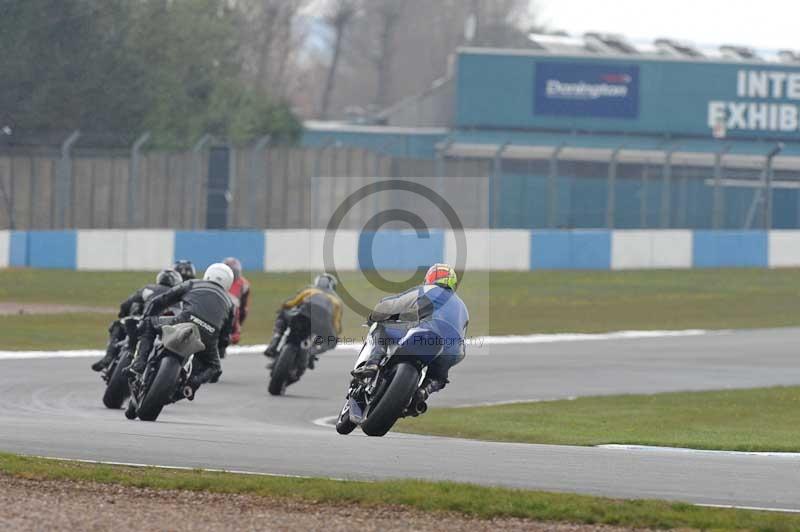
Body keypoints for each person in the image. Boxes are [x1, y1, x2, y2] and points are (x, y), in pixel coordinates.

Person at [352, 263, 469, 404]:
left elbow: (392, 305)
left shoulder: (428, 289)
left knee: (380, 328)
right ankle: (424, 391)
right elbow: (462, 342)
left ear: (430, 278)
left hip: (428, 334)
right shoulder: (463, 307)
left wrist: (374, 316)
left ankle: (373, 363)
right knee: (438, 376)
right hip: (453, 350)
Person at [128, 263, 235, 397]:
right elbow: (225, 335)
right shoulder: (230, 303)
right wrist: (216, 348)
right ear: (229, 283)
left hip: (183, 321)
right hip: (208, 335)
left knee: (149, 323)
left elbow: (162, 300)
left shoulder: (193, 284)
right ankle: (191, 385)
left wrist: (147, 316)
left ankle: (140, 362)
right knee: (215, 368)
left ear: (208, 274)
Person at [91, 269, 183, 372]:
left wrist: (123, 313)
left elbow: (127, 304)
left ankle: (108, 358)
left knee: (117, 325)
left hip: (143, 322)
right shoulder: (179, 294)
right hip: (167, 326)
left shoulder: (149, 289)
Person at [263, 273, 342, 369]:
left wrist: (283, 307)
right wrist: (335, 334)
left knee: (283, 314)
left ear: (317, 282)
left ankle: (274, 343)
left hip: (303, 316)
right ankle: (312, 353)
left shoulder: (310, 290)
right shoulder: (336, 300)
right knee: (331, 341)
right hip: (323, 326)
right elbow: (336, 324)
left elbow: (291, 303)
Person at [223, 257, 251, 345]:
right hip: (218, 312)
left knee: (235, 338)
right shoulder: (219, 281)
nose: (233, 274)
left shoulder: (244, 285)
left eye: (234, 272)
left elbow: (243, 308)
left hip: (233, 315)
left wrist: (238, 325)